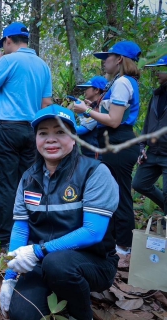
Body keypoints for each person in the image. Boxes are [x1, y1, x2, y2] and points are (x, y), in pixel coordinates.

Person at [0, 105, 119, 320]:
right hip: (43, 261)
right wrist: (10, 276)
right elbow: (20, 227)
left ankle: (82, 315)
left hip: (93, 261)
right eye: (43, 133)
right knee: (22, 314)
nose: (51, 139)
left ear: (73, 137)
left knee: (58, 265)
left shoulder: (94, 172)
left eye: (60, 132)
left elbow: (94, 231)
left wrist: (37, 251)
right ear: (35, 139)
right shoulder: (28, 178)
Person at [73, 40, 141, 255]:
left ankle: (124, 245)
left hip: (118, 142)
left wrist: (86, 111)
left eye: (107, 58)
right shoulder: (120, 82)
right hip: (114, 142)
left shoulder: (122, 83)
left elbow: (113, 120)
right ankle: (113, 240)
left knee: (119, 193)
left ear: (119, 59)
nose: (104, 63)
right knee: (114, 191)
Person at [0, 22, 53, 250]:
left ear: (8, 40)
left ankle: (6, 240)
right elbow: (47, 103)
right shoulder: (43, 65)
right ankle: (28, 235)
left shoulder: (8, 60)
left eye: (3, 46)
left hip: (7, 128)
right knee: (28, 184)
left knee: (6, 187)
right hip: (33, 130)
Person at [132, 55, 167, 214]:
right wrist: (141, 146)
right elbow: (147, 123)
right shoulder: (157, 95)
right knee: (139, 184)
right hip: (153, 152)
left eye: (160, 69)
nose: (157, 73)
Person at [72, 75, 108, 159]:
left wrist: (66, 122)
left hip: (95, 155)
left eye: (87, 88)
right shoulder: (93, 107)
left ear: (96, 90)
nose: (85, 91)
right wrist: (81, 112)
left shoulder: (100, 108)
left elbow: (81, 130)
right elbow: (86, 122)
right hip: (89, 152)